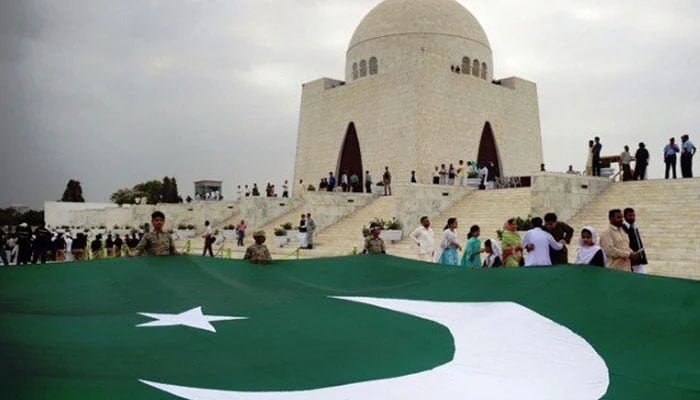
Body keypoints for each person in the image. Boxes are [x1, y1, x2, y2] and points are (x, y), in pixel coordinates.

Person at [623, 208, 648, 274]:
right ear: (624, 216)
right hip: (631, 259)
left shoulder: (634, 226)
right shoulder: (622, 228)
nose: (632, 218)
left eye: (633, 215)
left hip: (639, 258)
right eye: (630, 216)